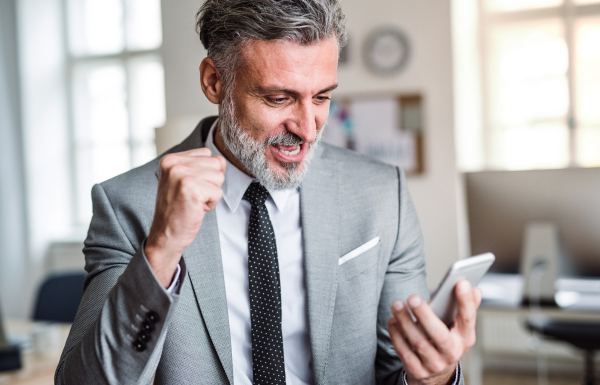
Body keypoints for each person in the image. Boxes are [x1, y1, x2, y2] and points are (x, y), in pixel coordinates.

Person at [56, 0, 481, 384]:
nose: (308, 127)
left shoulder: (381, 194)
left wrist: (435, 375)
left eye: (321, 97)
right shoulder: (127, 205)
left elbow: (398, 369)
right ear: (214, 82)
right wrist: (162, 250)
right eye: (279, 98)